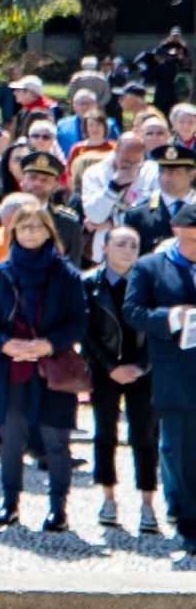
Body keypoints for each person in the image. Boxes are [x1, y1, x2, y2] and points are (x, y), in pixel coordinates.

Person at [0, 197, 88, 532]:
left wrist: (48, 344)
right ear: (13, 232)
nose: (30, 232)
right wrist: (6, 344)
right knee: (11, 438)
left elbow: (79, 320)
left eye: (37, 226)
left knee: (55, 440)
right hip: (12, 368)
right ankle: (9, 503)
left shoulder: (66, 274)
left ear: (49, 231)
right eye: (24, 226)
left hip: (52, 367)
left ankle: (58, 509)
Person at [122, 200, 196, 556]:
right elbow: (133, 311)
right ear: (177, 233)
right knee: (177, 449)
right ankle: (186, 517)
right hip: (175, 371)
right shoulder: (151, 267)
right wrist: (170, 317)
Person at [83, 225, 163, 534]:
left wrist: (142, 366)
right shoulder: (89, 283)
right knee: (104, 433)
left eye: (133, 245)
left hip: (143, 369)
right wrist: (108, 366)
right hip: (105, 370)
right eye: (120, 244)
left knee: (144, 436)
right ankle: (108, 497)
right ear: (105, 247)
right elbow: (85, 332)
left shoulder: (150, 284)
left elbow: (160, 329)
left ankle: (147, 502)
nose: (127, 251)